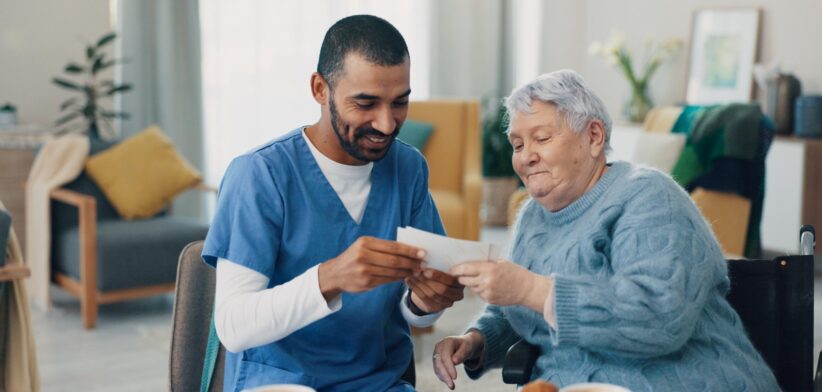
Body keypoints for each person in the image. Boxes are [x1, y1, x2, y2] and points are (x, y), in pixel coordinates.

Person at [432, 70, 778, 391]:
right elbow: (520, 304)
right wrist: (477, 339)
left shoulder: (648, 196)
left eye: (541, 138)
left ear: (593, 137)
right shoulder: (532, 216)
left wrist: (530, 288)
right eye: (518, 145)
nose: (525, 158)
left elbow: (659, 319)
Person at [202, 15, 464, 391]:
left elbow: (416, 314)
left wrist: (426, 303)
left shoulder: (408, 169)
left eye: (400, 103)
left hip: (376, 381)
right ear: (320, 89)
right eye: (366, 103)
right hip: (280, 381)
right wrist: (332, 278)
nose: (387, 124)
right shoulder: (260, 175)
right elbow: (233, 327)